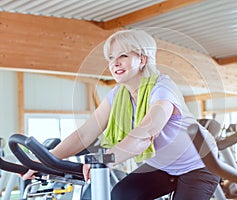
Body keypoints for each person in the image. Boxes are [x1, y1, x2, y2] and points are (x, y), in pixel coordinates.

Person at [22, 29, 220, 200]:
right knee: (121, 195)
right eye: (111, 58)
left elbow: (145, 135)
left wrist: (105, 159)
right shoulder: (118, 95)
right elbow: (85, 134)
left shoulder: (163, 89)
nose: (114, 63)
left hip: (199, 165)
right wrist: (42, 161)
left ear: (142, 59)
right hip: (163, 166)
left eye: (123, 56)